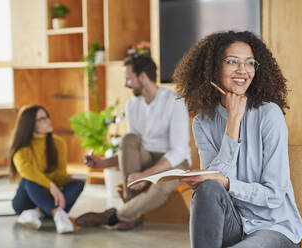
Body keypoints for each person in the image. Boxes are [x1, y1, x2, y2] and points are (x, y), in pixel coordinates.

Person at [173, 31, 302, 248]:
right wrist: (233, 122)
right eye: (232, 62)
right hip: (236, 225)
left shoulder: (269, 114)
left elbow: (274, 196)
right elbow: (212, 186)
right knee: (207, 189)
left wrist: (227, 183)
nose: (243, 70)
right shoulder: (202, 123)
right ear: (214, 68)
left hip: (275, 227)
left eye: (250, 63)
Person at [75, 54, 191, 230]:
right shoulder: (132, 105)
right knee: (129, 138)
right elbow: (129, 150)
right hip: (146, 158)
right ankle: (131, 213)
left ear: (142, 77)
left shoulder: (174, 102)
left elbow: (178, 152)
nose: (125, 84)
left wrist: (148, 175)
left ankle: (115, 216)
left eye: (128, 79)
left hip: (175, 164)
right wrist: (104, 162)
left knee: (160, 187)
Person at [10, 105, 85, 234]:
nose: (48, 121)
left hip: (49, 198)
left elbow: (59, 176)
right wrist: (51, 185)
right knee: (29, 179)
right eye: (42, 119)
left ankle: (38, 212)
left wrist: (68, 178)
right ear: (30, 124)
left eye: (47, 117)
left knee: (78, 182)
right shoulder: (21, 149)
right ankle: (58, 213)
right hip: (25, 202)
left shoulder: (59, 143)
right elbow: (27, 171)